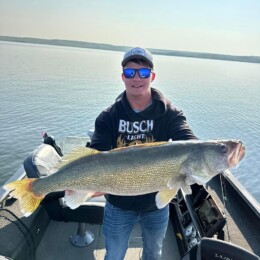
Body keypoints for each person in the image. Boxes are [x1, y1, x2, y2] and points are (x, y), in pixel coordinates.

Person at [90, 47, 197, 260]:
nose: (136, 78)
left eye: (143, 73)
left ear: (152, 76)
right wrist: (81, 185)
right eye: (130, 73)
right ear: (123, 77)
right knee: (114, 255)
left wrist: (214, 157)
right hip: (118, 205)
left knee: (153, 254)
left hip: (156, 205)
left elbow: (190, 143)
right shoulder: (108, 117)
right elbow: (95, 157)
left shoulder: (169, 113)